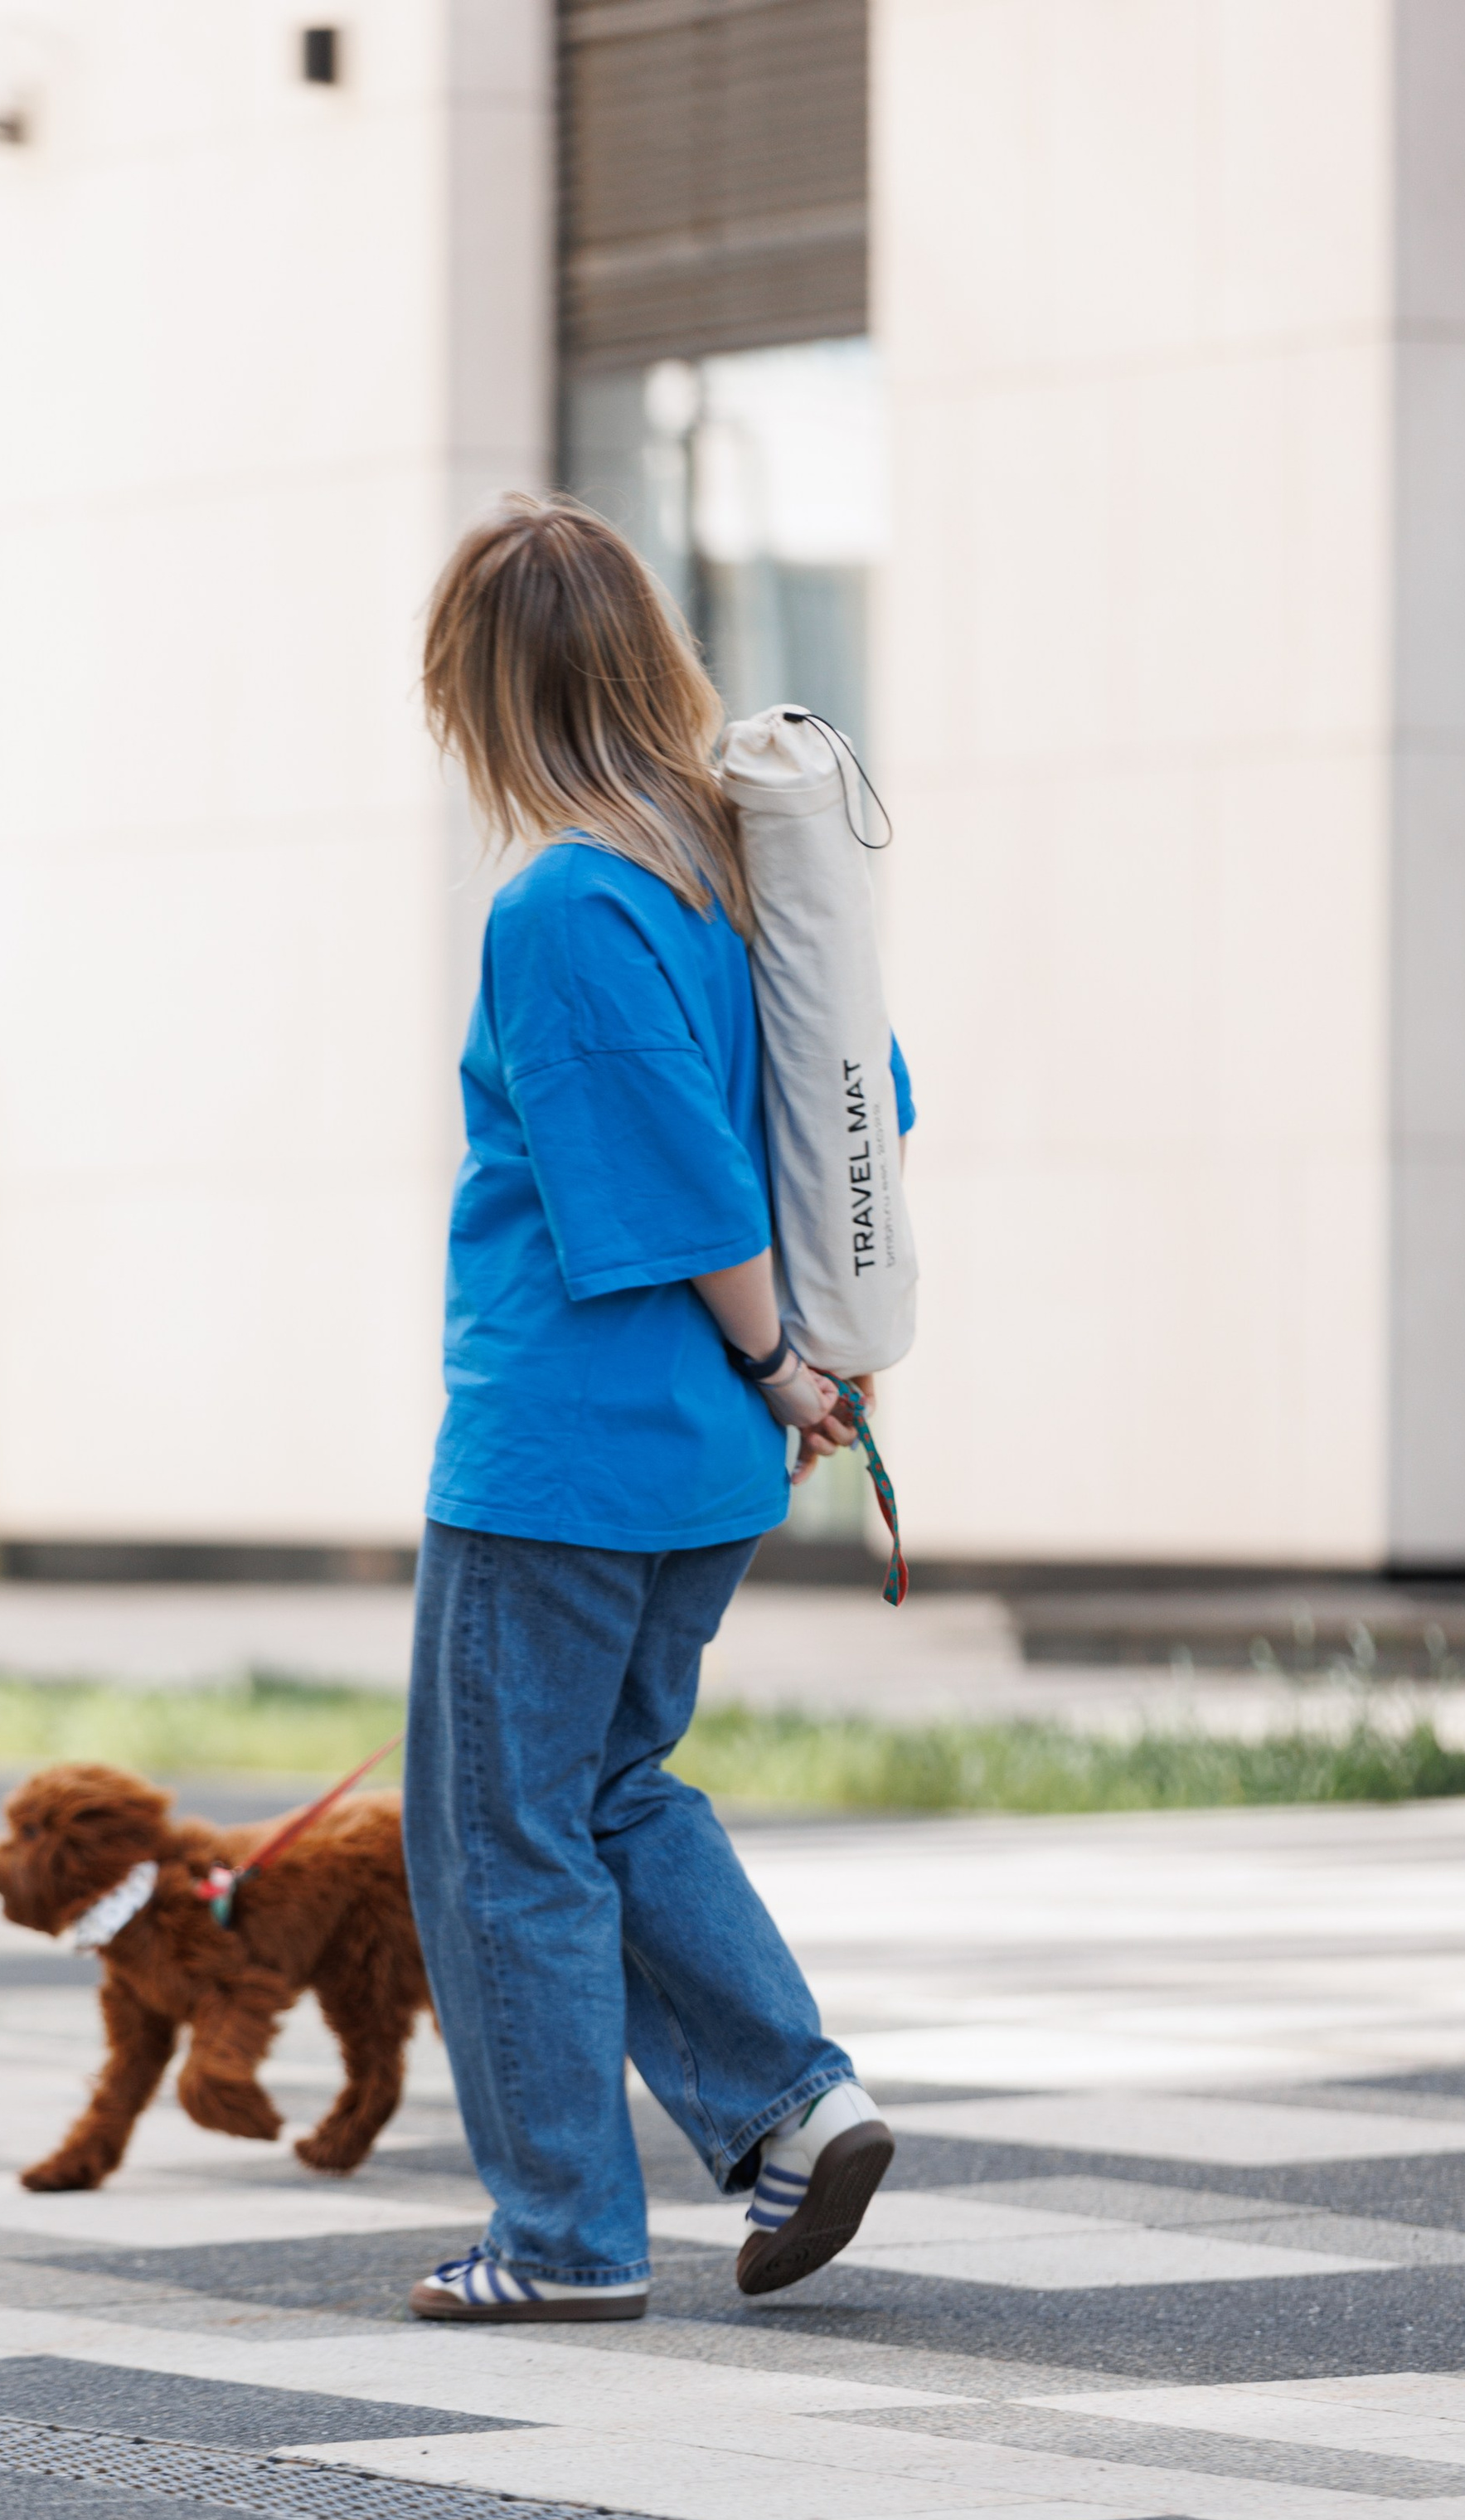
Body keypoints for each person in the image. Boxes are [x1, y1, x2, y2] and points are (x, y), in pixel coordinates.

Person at [403, 493, 913, 2326]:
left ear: (485, 693)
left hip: (566, 1445)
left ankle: (559, 2237)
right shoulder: (736, 883)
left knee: (495, 1834)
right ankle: (791, 2099)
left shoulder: (565, 901)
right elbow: (862, 1113)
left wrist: (774, 1351)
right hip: (707, 1459)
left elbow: (665, 1188)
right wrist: (796, 1372)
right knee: (613, 1790)